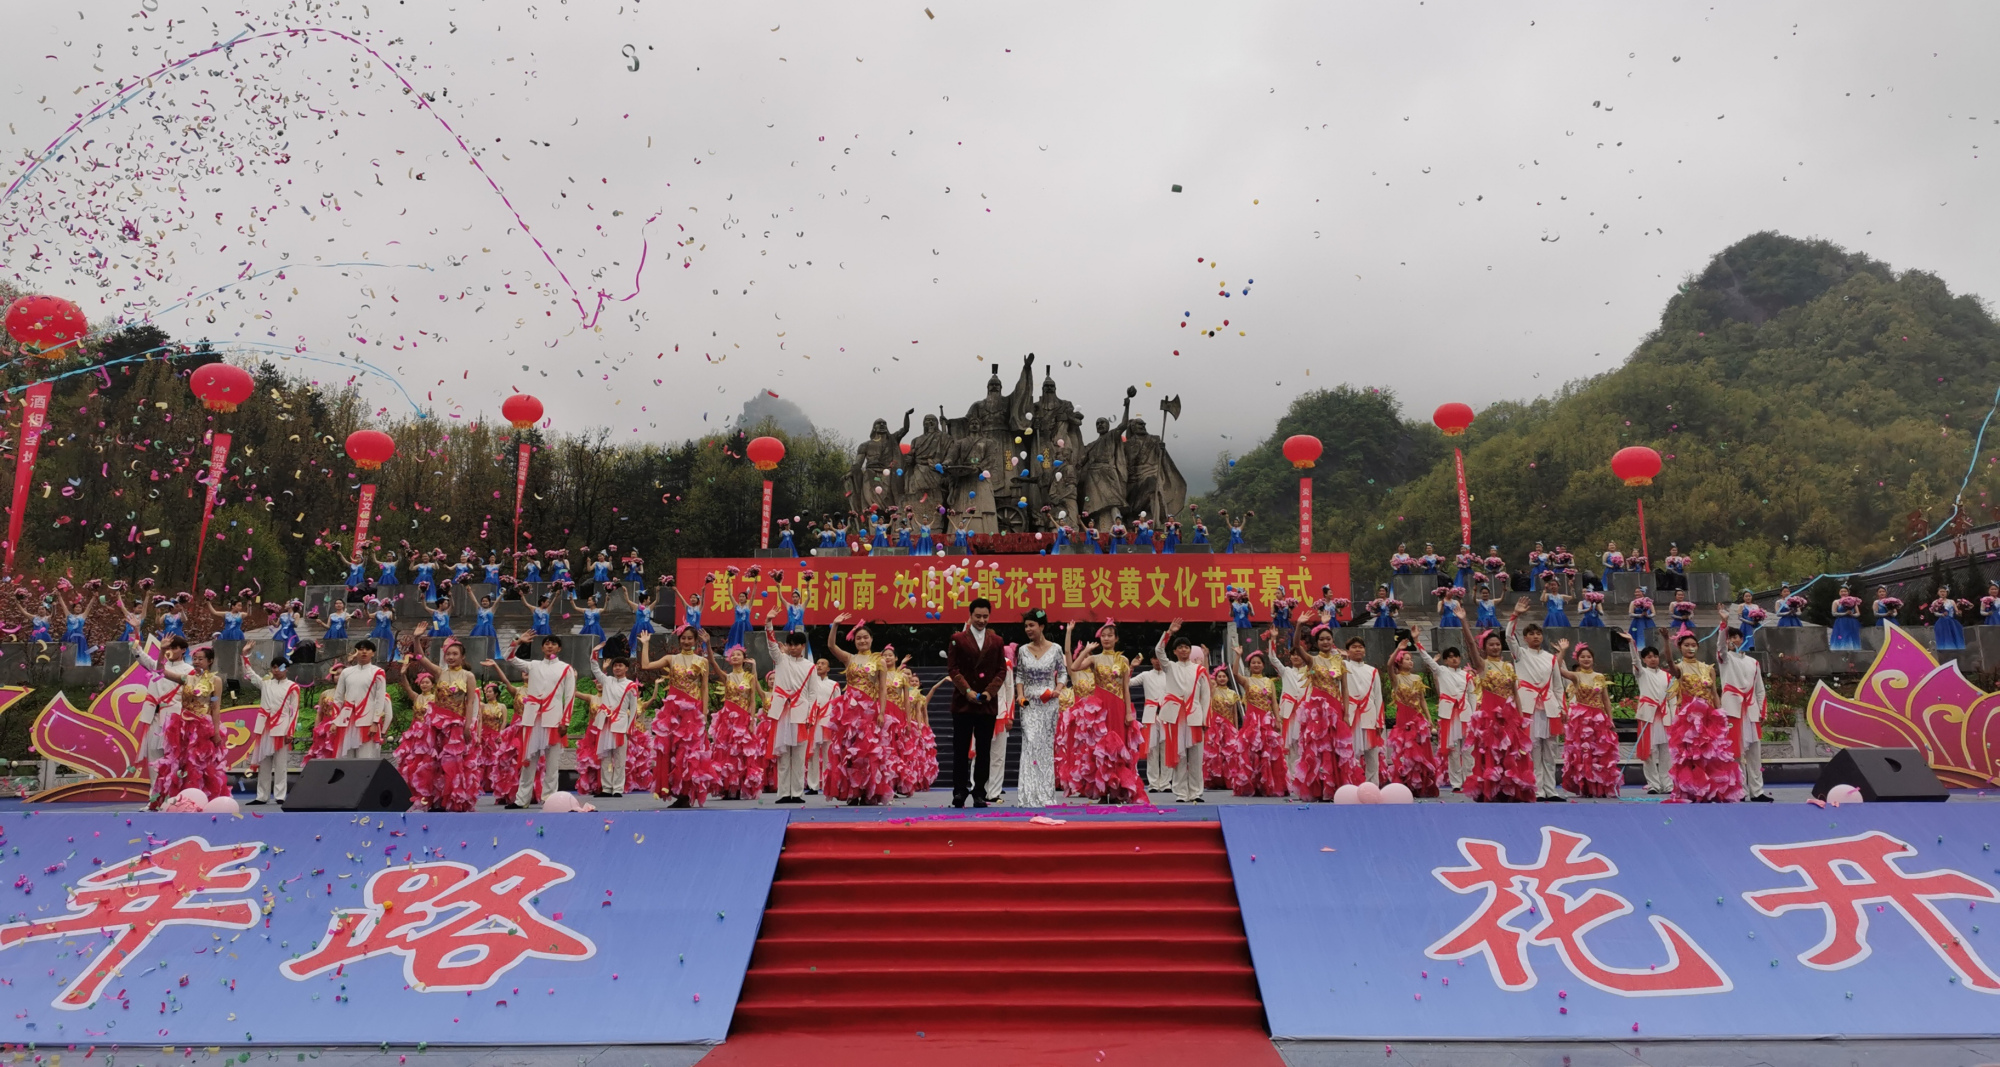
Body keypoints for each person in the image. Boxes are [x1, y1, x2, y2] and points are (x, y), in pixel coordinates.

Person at [1061, 618, 1143, 803]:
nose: (1106, 639)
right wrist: (1085, 651)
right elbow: (1073, 667)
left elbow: (1125, 687)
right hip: (1100, 708)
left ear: (1116, 639)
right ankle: (1102, 791)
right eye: (1103, 636)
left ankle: (1116, 791)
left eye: (1110, 636)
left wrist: (1129, 713)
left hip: (1118, 706)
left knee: (1118, 747)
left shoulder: (1122, 659)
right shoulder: (1094, 658)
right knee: (1100, 747)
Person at [637, 627, 717, 807]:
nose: (686, 642)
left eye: (690, 639)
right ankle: (677, 792)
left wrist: (704, 712)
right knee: (672, 751)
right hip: (673, 712)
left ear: (695, 641)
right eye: (683, 638)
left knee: (689, 753)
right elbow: (646, 666)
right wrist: (645, 644)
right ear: (679, 640)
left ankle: (687, 793)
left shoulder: (701, 661)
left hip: (692, 713)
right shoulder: (671, 659)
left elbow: (705, 688)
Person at [496, 635, 577, 810]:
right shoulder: (533, 665)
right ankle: (521, 800)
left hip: (554, 719)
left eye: (553, 644)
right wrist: (517, 642)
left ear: (559, 648)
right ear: (542, 648)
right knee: (528, 759)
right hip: (532, 718)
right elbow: (509, 658)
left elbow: (570, 696)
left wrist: (566, 721)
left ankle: (549, 799)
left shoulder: (566, 669)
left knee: (552, 763)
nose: (550, 647)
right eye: (546, 644)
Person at [826, 613, 898, 805]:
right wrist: (835, 625)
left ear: (871, 639)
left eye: (866, 637)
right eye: (859, 638)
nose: (862, 640)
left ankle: (868, 792)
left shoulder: (879, 661)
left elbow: (882, 688)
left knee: (868, 752)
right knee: (849, 751)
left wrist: (881, 712)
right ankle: (852, 792)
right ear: (854, 640)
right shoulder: (849, 658)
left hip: (869, 713)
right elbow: (831, 646)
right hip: (849, 712)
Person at [946, 599, 1007, 807]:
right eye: (977, 616)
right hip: (963, 702)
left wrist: (990, 692)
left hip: (987, 703)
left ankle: (980, 792)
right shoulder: (958, 638)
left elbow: (1001, 670)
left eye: (985, 616)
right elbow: (953, 669)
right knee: (960, 749)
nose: (981, 620)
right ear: (970, 616)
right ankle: (959, 792)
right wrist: (967, 691)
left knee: (984, 751)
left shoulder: (997, 641)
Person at [1462, 627, 1534, 803]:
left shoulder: (1508, 666)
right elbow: (1471, 645)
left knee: (1511, 753)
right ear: (1484, 648)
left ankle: (1510, 791)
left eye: (1497, 644)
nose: (1495, 647)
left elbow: (1515, 693)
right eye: (1491, 645)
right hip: (1489, 715)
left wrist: (1520, 716)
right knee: (1490, 753)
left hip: (1509, 716)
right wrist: (1464, 621)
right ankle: (1491, 790)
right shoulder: (1483, 665)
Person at [1667, 630, 1739, 802]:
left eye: (1693, 645)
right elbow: (1669, 663)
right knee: (1691, 757)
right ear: (1680, 647)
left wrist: (1721, 715)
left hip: (1708, 718)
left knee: (1712, 755)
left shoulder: (1708, 669)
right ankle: (1691, 790)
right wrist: (1664, 640)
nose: (1690, 649)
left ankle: (1711, 789)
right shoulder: (1680, 668)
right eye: (1686, 645)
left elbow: (1714, 693)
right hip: (1689, 721)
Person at [1505, 602, 1566, 801]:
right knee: (1533, 749)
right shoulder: (1520, 654)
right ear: (1525, 638)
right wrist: (1515, 615)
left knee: (1550, 749)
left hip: (1549, 706)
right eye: (1531, 634)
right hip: (1529, 707)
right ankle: (1537, 789)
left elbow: (1558, 686)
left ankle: (1551, 790)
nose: (1535, 637)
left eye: (1538, 634)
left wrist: (1562, 707)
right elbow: (1508, 637)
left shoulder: (1550, 658)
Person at [1011, 608, 1069, 807]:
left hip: (1048, 703)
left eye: (1031, 625)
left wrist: (1058, 689)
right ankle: (1028, 795)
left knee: (1044, 747)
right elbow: (1019, 676)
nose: (1028, 629)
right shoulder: (1023, 650)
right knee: (1030, 743)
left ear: (1041, 626)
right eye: (1026, 626)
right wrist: (1019, 695)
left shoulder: (1056, 649)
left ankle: (1045, 795)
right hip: (1028, 704)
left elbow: (1062, 673)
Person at [131, 634, 196, 804]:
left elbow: (162, 671)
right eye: (168, 648)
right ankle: (154, 801)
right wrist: (136, 631)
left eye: (174, 648)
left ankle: (173, 800)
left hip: (174, 720)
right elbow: (138, 653)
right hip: (154, 718)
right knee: (154, 762)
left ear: (183, 650)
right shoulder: (158, 664)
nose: (170, 651)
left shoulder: (189, 670)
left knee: (174, 762)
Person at [1152, 620, 1212, 802]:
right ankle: (1180, 793)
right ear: (1175, 651)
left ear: (1190, 651)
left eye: (1186, 647)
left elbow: (1206, 696)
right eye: (1180, 647)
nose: (1184, 650)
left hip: (1194, 716)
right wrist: (1169, 632)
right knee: (1178, 755)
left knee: (1195, 757)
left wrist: (1205, 721)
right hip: (1175, 717)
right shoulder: (1170, 667)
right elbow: (1158, 651)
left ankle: (1195, 792)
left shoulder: (1199, 670)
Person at [1286, 623, 1347, 800]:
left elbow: (1345, 689)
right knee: (1317, 747)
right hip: (1317, 710)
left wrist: (1347, 713)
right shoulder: (1312, 660)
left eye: (1328, 638)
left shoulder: (1340, 662)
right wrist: (1297, 625)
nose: (1325, 642)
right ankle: (1318, 788)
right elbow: (1296, 646)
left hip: (1335, 707)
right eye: (1321, 639)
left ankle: (1336, 787)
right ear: (1316, 642)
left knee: (1336, 747)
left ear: (1333, 641)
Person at [1717, 610, 1772, 802]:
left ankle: (1757, 791)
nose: (1734, 640)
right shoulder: (1725, 659)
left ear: (1742, 639)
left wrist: (1761, 712)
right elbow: (1721, 648)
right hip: (1733, 710)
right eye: (1730, 637)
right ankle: (1738, 791)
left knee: (1754, 753)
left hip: (1750, 711)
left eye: (1737, 637)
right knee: (1736, 753)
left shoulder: (1753, 662)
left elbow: (1760, 690)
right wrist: (1723, 625)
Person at [1553, 641, 1619, 798]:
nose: (1586, 659)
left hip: (1598, 718)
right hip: (1581, 719)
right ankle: (1585, 786)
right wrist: (1562, 651)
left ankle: (1600, 785)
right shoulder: (1576, 676)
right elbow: (1556, 669)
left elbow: (1605, 700)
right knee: (1583, 752)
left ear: (1593, 659)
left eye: (1588, 657)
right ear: (1578, 659)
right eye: (1582, 657)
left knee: (1600, 752)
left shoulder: (1600, 677)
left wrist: (1610, 719)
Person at [1410, 633, 1474, 793]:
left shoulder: (1467, 675)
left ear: (1460, 659)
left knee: (1468, 750)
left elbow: (1471, 695)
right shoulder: (1442, 671)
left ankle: (1469, 779)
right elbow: (1428, 660)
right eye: (1450, 657)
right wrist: (1417, 641)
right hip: (1449, 715)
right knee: (1452, 750)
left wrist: (1474, 715)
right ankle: (1456, 782)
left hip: (1466, 714)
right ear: (1445, 660)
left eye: (1456, 657)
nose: (1454, 659)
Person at [706, 640, 768, 800]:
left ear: (744, 658)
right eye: (732, 655)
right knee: (726, 752)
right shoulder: (727, 677)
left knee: (741, 752)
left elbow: (753, 700)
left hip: (743, 718)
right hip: (727, 719)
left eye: (738, 654)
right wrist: (708, 643)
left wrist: (752, 720)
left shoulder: (749, 677)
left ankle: (740, 786)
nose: (735, 657)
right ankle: (726, 787)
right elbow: (712, 662)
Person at [763, 620, 816, 804]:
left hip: (801, 712)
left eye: (797, 645)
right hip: (782, 712)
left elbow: (812, 693)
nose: (793, 648)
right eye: (790, 644)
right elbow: (771, 645)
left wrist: (811, 715)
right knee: (784, 754)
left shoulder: (810, 666)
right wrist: (769, 623)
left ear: (803, 646)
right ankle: (784, 793)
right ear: (786, 645)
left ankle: (797, 793)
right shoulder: (781, 659)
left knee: (799, 755)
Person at [241, 652, 301, 805]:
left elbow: (294, 711)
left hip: (282, 727)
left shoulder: (293, 687)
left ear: (286, 669)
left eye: (279, 667)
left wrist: (290, 732)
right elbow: (250, 673)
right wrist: (244, 655)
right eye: (273, 667)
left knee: (281, 764)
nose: (276, 670)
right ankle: (262, 796)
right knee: (264, 762)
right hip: (265, 728)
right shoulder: (265, 684)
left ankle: (280, 796)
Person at [1227, 643, 1286, 798]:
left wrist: (1278, 719)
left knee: (1268, 752)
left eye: (1259, 662)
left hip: (1266, 720)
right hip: (1252, 721)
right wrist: (1237, 655)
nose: (1256, 665)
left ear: (1263, 665)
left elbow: (1274, 701)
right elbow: (1234, 673)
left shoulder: (1269, 682)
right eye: (1253, 663)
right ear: (1249, 666)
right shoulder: (1247, 681)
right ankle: (1252, 784)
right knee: (1251, 753)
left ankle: (1268, 784)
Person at [1383, 643, 1441, 797]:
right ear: (1400, 662)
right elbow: (1389, 665)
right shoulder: (1396, 679)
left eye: (1411, 659)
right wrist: (1397, 649)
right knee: (1405, 749)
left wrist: (1429, 718)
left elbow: (1422, 700)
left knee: (1420, 750)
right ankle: (1404, 783)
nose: (1411, 662)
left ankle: (1420, 783)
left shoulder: (1417, 678)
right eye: (1407, 659)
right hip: (1403, 717)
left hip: (1417, 717)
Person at [587, 650, 640, 798]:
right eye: (615, 666)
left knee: (620, 758)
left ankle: (617, 788)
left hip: (621, 724)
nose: (617, 668)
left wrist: (630, 728)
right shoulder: (607, 680)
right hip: (605, 724)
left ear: (626, 668)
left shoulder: (631, 686)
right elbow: (595, 669)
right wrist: (594, 655)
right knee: (605, 757)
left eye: (620, 665)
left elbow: (634, 708)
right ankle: (606, 788)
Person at [328, 639, 392, 759]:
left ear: (373, 653)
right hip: (346, 721)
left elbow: (379, 699)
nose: (364, 652)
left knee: (365, 759)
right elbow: (338, 698)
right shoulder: (346, 672)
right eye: (361, 649)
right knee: (345, 759)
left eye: (367, 650)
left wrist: (375, 722)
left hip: (367, 721)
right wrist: (335, 721)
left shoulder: (378, 672)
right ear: (356, 652)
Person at [1338, 636, 1383, 785]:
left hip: (1369, 713)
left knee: (1372, 753)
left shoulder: (1373, 671)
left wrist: (1379, 721)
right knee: (1350, 752)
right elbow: (1330, 674)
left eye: (1360, 647)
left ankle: (1373, 785)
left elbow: (1378, 696)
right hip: (1348, 715)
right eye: (1354, 647)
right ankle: (1350, 784)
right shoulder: (1342, 665)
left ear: (1364, 651)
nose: (1358, 649)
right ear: (1347, 651)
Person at [1632, 645, 1673, 794]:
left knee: (1666, 753)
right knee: (1648, 752)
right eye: (1648, 657)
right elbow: (1635, 661)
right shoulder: (1641, 673)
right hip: (1648, 716)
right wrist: (1632, 644)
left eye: (1655, 656)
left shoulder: (1667, 676)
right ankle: (1653, 784)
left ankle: (1667, 783)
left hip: (1664, 716)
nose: (1653, 659)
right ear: (1643, 659)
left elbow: (1672, 698)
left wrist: (1674, 718)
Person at [1204, 662, 1241, 792]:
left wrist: (1236, 728)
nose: (1222, 678)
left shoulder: (1232, 693)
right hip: (1215, 726)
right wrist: (1206, 657)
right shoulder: (1213, 691)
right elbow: (1207, 677)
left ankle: (1229, 779)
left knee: (1230, 754)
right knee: (1216, 754)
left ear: (1227, 678)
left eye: (1224, 676)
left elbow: (1235, 713)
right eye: (1219, 676)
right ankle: (1215, 779)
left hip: (1229, 727)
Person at [1930, 586, 1967, 651]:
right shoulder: (1935, 602)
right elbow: (1935, 613)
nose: (1942, 593)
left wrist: (1959, 613)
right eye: (1941, 591)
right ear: (1938, 593)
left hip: (1951, 622)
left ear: (1947, 593)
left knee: (1955, 636)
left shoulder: (1951, 601)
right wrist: (1941, 614)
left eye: (1944, 591)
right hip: (1941, 622)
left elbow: (1956, 612)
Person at [1830, 585, 1863, 651]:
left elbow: (1858, 613)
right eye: (1842, 591)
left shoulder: (1853, 601)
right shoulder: (1836, 602)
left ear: (1848, 592)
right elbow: (1834, 613)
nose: (1843, 593)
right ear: (1839, 593)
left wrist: (1852, 614)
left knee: (1853, 638)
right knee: (1841, 637)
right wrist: (1845, 613)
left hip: (1852, 622)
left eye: (1845, 591)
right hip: (1841, 623)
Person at [1628, 588, 1658, 653]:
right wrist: (1639, 615)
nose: (1637, 593)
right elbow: (1630, 614)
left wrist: (1648, 615)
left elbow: (1654, 613)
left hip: (1648, 622)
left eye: (1638, 592)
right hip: (1637, 623)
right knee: (1637, 634)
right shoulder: (1633, 602)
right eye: (1636, 592)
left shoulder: (1648, 602)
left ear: (1643, 593)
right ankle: (1639, 649)